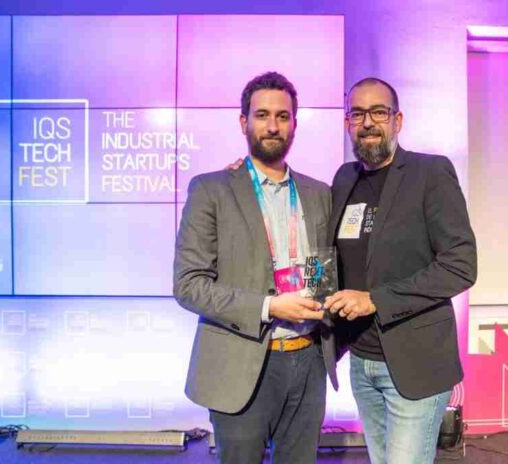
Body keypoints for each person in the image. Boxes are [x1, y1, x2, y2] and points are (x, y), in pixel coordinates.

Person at [173, 71, 337, 464]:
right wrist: (269, 306)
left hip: (308, 361)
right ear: (243, 121)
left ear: (295, 123)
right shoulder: (211, 190)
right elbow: (188, 284)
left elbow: (323, 270)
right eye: (262, 115)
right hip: (241, 362)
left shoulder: (319, 193)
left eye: (283, 116)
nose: (273, 126)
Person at [323, 77, 477, 464]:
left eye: (379, 112)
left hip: (416, 364)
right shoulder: (344, 178)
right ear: (347, 122)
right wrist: (246, 174)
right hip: (361, 361)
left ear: (398, 120)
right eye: (358, 113)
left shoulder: (430, 173)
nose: (368, 122)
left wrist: (376, 300)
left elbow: (460, 265)